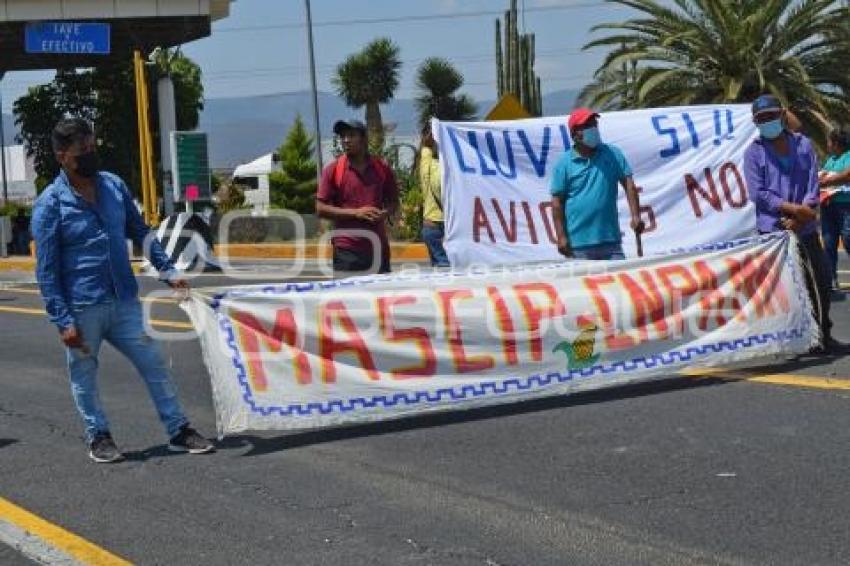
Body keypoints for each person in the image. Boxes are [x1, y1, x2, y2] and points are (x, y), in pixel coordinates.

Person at [31, 118, 214, 463]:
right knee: (84, 375)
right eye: (81, 150)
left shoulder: (113, 186)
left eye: (91, 146)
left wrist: (168, 270)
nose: (89, 154)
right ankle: (98, 436)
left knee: (154, 364)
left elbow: (141, 231)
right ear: (61, 156)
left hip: (124, 300)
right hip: (83, 307)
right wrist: (62, 320)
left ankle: (179, 430)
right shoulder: (50, 205)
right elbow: (47, 270)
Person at [742, 94, 835, 352]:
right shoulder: (753, 153)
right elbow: (758, 193)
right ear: (755, 122)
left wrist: (803, 212)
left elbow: (811, 183)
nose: (767, 121)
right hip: (775, 232)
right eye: (761, 118)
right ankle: (797, 339)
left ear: (782, 115)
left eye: (771, 116)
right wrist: (794, 210)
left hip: (804, 226)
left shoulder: (803, 144)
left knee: (821, 279)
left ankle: (824, 332)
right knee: (789, 288)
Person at [549, 107, 644, 260]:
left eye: (594, 124)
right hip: (578, 245)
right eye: (587, 126)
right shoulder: (564, 163)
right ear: (575, 134)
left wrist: (636, 216)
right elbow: (556, 203)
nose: (593, 129)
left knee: (619, 282)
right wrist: (561, 237)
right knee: (581, 285)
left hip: (611, 241)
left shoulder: (612, 154)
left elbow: (628, 184)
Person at [316, 119, 399, 275]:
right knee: (348, 298)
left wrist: (385, 213)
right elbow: (320, 208)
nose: (346, 140)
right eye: (343, 136)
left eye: (351, 135)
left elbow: (393, 201)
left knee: (378, 298)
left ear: (364, 139)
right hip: (347, 250)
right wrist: (356, 213)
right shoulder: (332, 170)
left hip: (378, 249)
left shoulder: (382, 168)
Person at [818, 125, 850, 291]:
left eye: (829, 142)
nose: (827, 145)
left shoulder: (848, 156)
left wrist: (826, 181)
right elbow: (823, 174)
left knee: (848, 239)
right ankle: (831, 278)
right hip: (828, 206)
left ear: (837, 143)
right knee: (829, 243)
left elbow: (847, 175)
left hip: (846, 206)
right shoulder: (831, 160)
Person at [418, 123, 450, 268]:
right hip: (447, 226)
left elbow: (425, 148)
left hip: (430, 226)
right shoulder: (447, 167)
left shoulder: (426, 163)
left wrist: (427, 142)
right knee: (450, 271)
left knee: (439, 269)